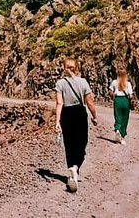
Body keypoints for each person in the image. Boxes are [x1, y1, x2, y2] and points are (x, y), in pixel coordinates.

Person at [55, 57, 98, 193]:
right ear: (77, 68)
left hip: (66, 113)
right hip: (79, 112)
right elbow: (89, 102)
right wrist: (94, 116)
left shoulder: (60, 83)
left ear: (64, 68)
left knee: (69, 143)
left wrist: (57, 121)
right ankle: (76, 166)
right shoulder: (83, 82)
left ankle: (72, 168)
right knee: (82, 142)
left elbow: (59, 103)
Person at [109, 68, 133, 146]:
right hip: (125, 101)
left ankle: (117, 129)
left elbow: (110, 92)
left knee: (117, 116)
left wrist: (113, 97)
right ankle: (123, 138)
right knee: (125, 118)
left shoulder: (114, 82)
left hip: (117, 100)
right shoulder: (128, 83)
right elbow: (130, 95)